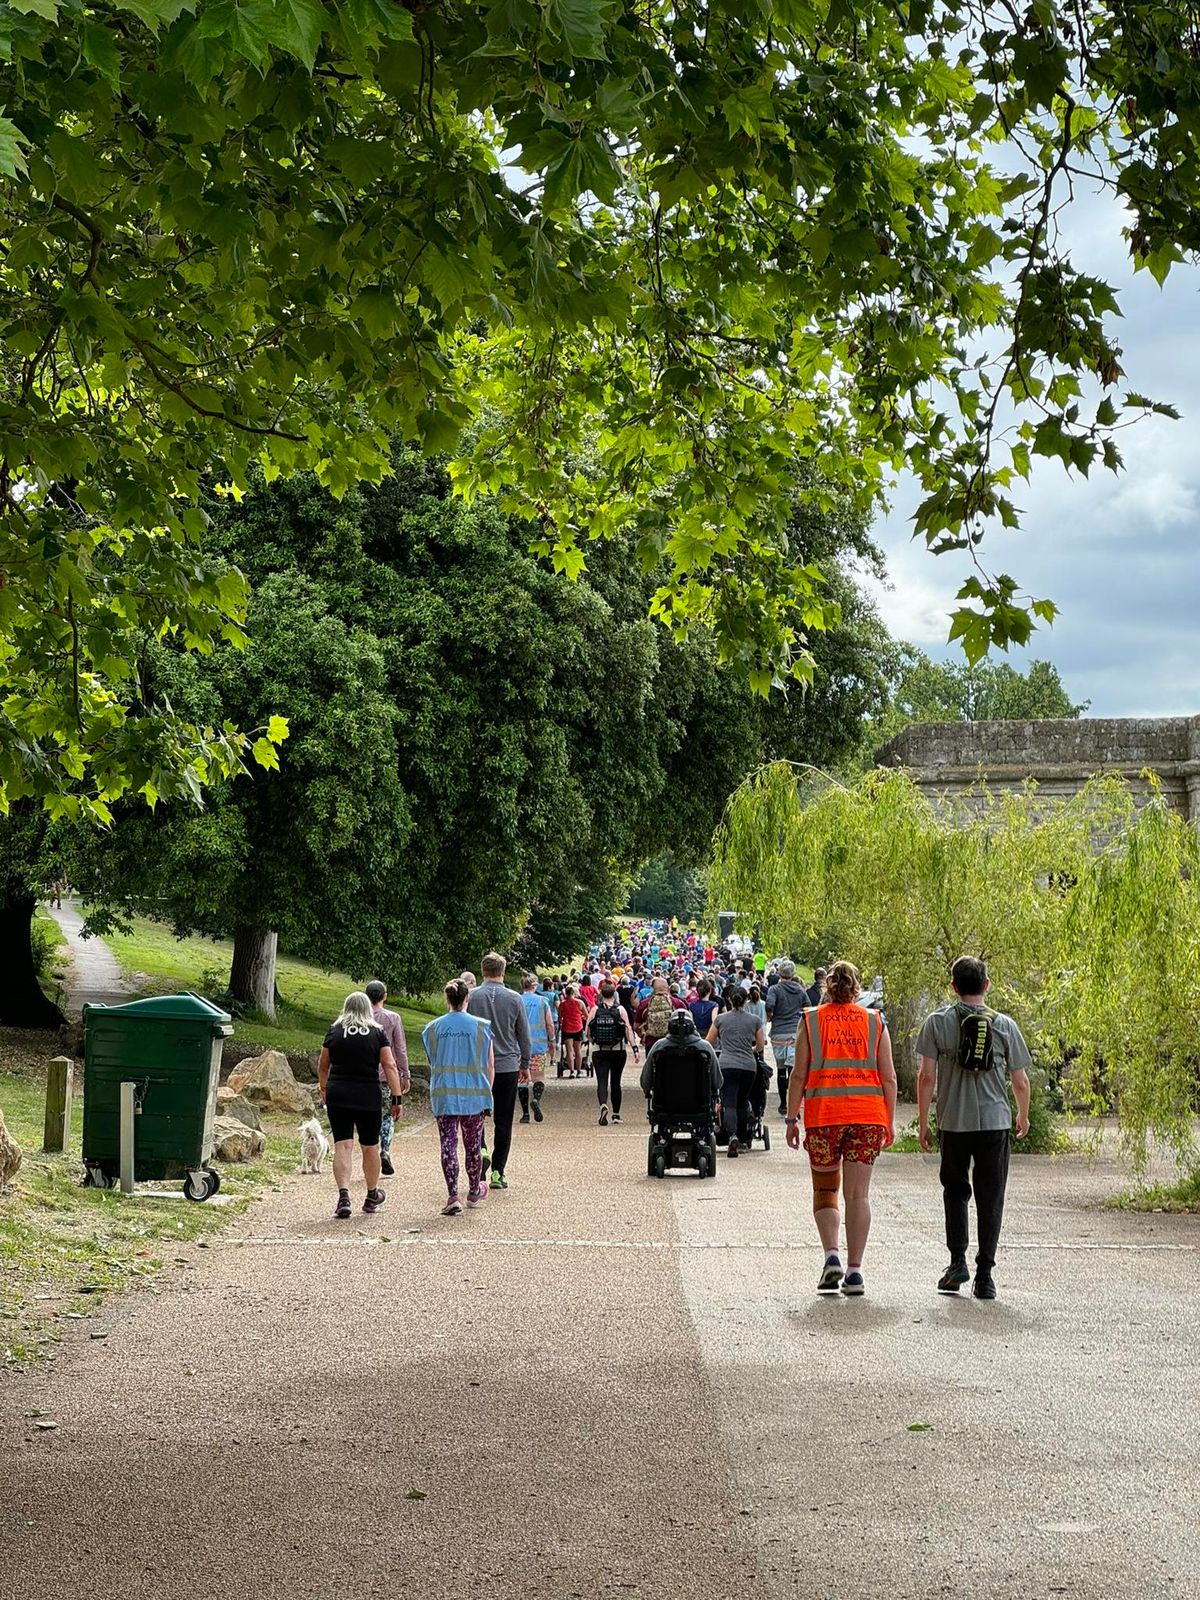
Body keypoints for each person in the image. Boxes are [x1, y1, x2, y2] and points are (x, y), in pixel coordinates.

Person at [916, 956, 1032, 1300]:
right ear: (987, 985)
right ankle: (985, 1276)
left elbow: (925, 1077)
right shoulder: (1005, 1025)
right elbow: (1021, 1080)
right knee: (991, 1197)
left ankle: (957, 1263)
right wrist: (1022, 1115)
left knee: (955, 1192)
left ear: (953, 986)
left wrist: (924, 1122)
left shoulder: (937, 1022)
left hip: (954, 1122)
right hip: (995, 1124)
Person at [785, 961, 897, 1296]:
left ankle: (831, 1254)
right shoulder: (875, 1022)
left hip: (824, 1117)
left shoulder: (811, 1020)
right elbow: (889, 1078)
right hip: (866, 1117)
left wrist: (792, 1118)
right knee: (858, 1195)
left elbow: (798, 1076)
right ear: (856, 987)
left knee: (825, 1190)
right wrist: (887, 1121)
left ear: (828, 986)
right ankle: (855, 1272)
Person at [318, 991, 402, 1219]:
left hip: (339, 1093)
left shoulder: (335, 1031)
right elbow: (389, 1065)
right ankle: (371, 1195)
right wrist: (396, 1098)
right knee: (370, 1146)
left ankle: (344, 1197)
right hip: (367, 1095)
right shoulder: (377, 1032)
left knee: (343, 1145)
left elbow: (323, 1064)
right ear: (367, 1009)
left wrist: (324, 1088)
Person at [422, 978, 494, 1215]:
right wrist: (487, 1092)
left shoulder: (432, 1029)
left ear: (447, 999)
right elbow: (489, 1064)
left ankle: (453, 1194)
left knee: (448, 1144)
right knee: (473, 1145)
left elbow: (433, 1060)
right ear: (467, 998)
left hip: (445, 1095)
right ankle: (474, 1190)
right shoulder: (482, 1027)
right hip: (474, 1094)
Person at [466, 952, 530, 1191]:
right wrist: (525, 1063)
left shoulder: (471, 997)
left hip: (477, 1064)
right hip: (506, 1065)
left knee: (476, 1114)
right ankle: (498, 1172)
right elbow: (523, 1033)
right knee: (504, 1120)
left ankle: (481, 1148)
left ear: (483, 971)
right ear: (502, 972)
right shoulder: (514, 998)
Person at [707, 986, 765, 1157]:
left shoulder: (720, 1020)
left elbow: (709, 1041)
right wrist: (750, 1049)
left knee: (729, 1102)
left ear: (730, 1000)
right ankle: (741, 1138)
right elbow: (761, 1046)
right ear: (747, 1000)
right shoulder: (754, 1020)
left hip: (726, 1064)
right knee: (742, 1101)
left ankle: (731, 1134)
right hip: (748, 1066)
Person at [364, 980, 410, 1178]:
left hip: (363, 1076)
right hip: (386, 1076)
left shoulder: (360, 1018)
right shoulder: (393, 1018)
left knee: (368, 1117)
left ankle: (371, 1152)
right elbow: (400, 1048)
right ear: (385, 997)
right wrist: (404, 1073)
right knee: (387, 1115)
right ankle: (385, 1150)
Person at [586, 978, 640, 1125]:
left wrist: (593, 1042)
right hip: (618, 1049)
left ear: (601, 995)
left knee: (602, 1081)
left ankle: (603, 1104)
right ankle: (616, 1114)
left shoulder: (595, 1010)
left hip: (599, 1050)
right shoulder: (620, 1010)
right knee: (616, 1082)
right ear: (614, 994)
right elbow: (628, 1029)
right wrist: (634, 1048)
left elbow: (587, 1031)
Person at [765, 959, 810, 1114]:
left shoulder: (774, 989)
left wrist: (771, 1016)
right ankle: (795, 1106)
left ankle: (783, 1104)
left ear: (779, 973)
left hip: (778, 1033)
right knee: (794, 1071)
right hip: (795, 1033)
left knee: (781, 1070)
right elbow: (808, 1008)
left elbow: (769, 1006)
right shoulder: (800, 990)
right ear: (793, 973)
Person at [518, 974, 556, 1124]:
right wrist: (552, 1040)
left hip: (519, 1046)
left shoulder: (517, 1000)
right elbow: (549, 1024)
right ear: (534, 986)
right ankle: (536, 1099)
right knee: (538, 1077)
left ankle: (525, 1113)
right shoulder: (542, 1001)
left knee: (522, 1080)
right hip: (538, 1045)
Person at [635, 974, 687, 1050]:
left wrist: (643, 1036)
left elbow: (636, 1026)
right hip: (672, 1043)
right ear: (668, 988)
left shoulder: (645, 1004)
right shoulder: (678, 1003)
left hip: (652, 1043)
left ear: (653, 989)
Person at [557, 984, 586, 1076]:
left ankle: (572, 1071)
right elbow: (587, 1015)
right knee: (577, 1050)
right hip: (578, 1027)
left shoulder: (562, 1004)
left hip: (567, 1028)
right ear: (574, 993)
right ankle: (579, 1071)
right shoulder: (580, 1003)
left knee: (569, 1051)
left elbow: (559, 1017)